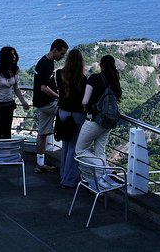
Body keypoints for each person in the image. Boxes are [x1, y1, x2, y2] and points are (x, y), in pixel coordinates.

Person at [75, 54, 123, 189]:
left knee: (80, 150)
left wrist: (87, 107)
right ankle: (101, 181)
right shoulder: (114, 80)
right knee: (100, 151)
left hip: (94, 120)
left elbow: (85, 101)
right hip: (108, 122)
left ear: (101, 65)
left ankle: (104, 170)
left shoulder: (94, 78)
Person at [32, 38, 68, 174]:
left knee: (42, 133)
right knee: (69, 114)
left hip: (41, 103)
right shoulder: (46, 64)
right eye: (62, 53)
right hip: (47, 103)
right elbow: (44, 87)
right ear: (55, 50)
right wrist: (60, 97)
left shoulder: (45, 61)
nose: (62, 56)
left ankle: (40, 163)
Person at [55, 49, 87, 188]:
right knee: (73, 148)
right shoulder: (83, 79)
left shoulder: (58, 74)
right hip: (77, 115)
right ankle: (68, 180)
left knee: (66, 145)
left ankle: (63, 174)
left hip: (63, 113)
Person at [0, 46, 30, 139]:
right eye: (11, 55)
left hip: (9, 105)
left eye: (14, 54)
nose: (14, 56)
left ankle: (6, 152)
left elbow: (16, 88)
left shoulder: (14, 70)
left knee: (7, 130)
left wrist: (23, 102)